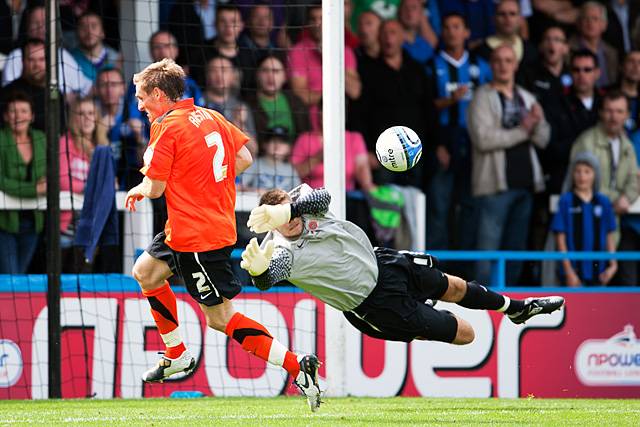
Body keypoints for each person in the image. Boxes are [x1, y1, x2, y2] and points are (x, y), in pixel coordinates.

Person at [124, 59, 321, 412]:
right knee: (145, 271)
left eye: (141, 97)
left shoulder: (166, 127)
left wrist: (140, 187)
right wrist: (203, 183)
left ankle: (297, 366)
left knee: (220, 319)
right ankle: (176, 353)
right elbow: (243, 156)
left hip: (198, 237)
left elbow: (155, 189)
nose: (139, 105)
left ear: (158, 94)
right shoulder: (210, 115)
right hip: (185, 228)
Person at [239, 184, 565, 347]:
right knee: (467, 335)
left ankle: (515, 308)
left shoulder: (305, 207)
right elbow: (267, 279)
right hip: (374, 305)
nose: (293, 220)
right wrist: (257, 272)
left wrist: (289, 209)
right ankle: (424, 313)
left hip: (385, 262)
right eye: (283, 218)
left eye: (291, 211)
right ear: (271, 225)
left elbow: (321, 195)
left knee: (453, 285)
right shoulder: (279, 251)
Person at [467, 44, 550, 285]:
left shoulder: (527, 96)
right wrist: (525, 128)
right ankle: (481, 305)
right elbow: (484, 140)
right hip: (494, 186)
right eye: (498, 60)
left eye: (508, 60)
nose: (503, 65)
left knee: (515, 252)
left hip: (525, 184)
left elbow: (543, 137)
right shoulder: (482, 97)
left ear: (516, 65)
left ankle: (510, 306)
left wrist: (532, 126)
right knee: (487, 254)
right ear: (491, 65)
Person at [425, 12, 492, 250]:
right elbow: (425, 107)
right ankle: (436, 268)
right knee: (439, 205)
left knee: (470, 205)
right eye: (447, 27)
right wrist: (449, 102)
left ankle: (466, 267)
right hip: (443, 141)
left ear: (466, 32)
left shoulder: (480, 66)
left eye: (457, 26)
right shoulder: (432, 66)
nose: (452, 31)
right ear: (442, 32)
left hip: (474, 142)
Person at [552, 152, 617, 286]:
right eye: (578, 171)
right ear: (572, 174)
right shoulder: (566, 201)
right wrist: (569, 271)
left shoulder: (603, 202)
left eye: (587, 172)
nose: (582, 176)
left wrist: (613, 265)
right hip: (573, 272)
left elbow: (609, 237)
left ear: (595, 175)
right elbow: (560, 238)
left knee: (598, 306)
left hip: (599, 270)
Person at [59, 97, 109, 271]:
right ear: (74, 118)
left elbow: (111, 184)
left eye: (91, 113)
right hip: (66, 225)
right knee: (63, 275)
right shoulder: (66, 143)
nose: (87, 118)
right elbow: (63, 181)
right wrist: (91, 188)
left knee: (85, 275)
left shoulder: (102, 147)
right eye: (81, 114)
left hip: (92, 226)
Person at [0, 91, 46, 273]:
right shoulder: (1, 139)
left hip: (33, 222)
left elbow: (50, 174)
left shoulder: (41, 138)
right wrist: (34, 189)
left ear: (32, 115)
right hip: (5, 223)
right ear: (5, 116)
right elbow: (2, 181)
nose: (18, 116)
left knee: (20, 278)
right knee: (11, 278)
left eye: (23, 111)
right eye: (13, 111)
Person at [474, 0, 537, 74]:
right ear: (493, 19)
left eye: (512, 14)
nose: (507, 18)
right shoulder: (480, 52)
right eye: (502, 14)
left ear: (520, 19)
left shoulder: (531, 51)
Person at [569, 2, 618, 87]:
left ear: (604, 25)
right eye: (585, 18)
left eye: (595, 19)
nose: (590, 23)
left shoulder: (612, 52)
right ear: (579, 23)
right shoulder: (568, 49)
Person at [241, 126, 301, 192]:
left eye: (282, 142)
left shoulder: (290, 170)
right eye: (273, 141)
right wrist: (254, 191)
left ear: (289, 147)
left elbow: (299, 194)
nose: (277, 146)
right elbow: (238, 186)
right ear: (265, 144)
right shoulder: (255, 164)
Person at [70, 12, 122, 82]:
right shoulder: (70, 59)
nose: (89, 31)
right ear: (77, 32)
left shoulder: (116, 58)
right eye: (83, 27)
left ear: (102, 33)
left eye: (93, 26)